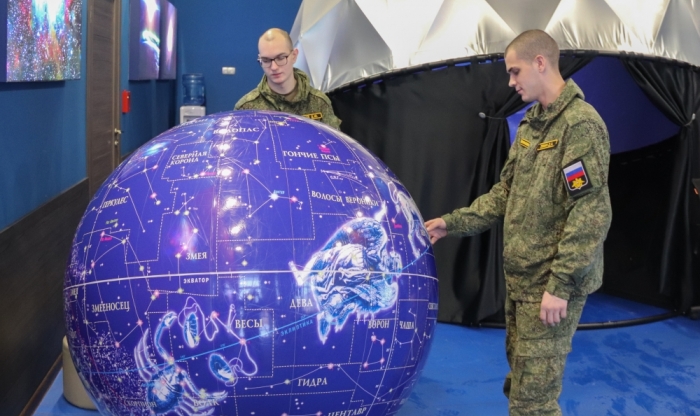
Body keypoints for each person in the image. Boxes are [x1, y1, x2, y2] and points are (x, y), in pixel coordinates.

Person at [425, 30, 612, 415]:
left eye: (515, 71)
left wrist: (560, 285)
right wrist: (450, 223)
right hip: (522, 281)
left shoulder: (579, 125)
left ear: (540, 63)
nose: (511, 82)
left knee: (533, 402)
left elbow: (590, 212)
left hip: (550, 285)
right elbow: (505, 194)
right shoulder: (531, 124)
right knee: (520, 384)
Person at [235, 28, 341, 129]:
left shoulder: (319, 103)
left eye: (281, 58)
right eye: (266, 60)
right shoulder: (246, 108)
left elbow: (334, 141)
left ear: (294, 56)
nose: (274, 67)